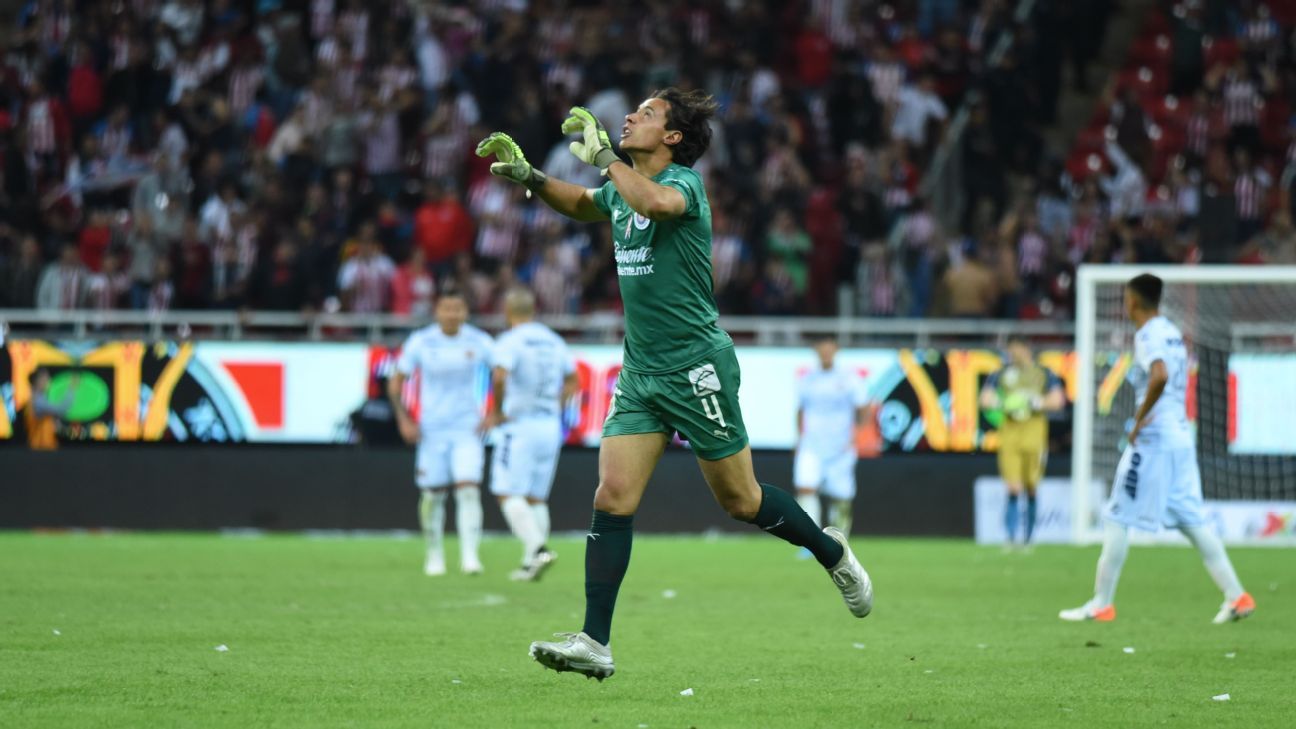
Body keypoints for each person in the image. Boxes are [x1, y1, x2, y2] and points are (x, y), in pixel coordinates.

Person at [476, 88, 872, 681]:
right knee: (612, 496)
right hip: (641, 373)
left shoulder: (683, 185)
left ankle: (830, 552)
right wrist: (531, 176)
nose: (629, 117)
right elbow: (584, 203)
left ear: (672, 137)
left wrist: (605, 157)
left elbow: (656, 204)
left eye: (647, 114)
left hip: (696, 367)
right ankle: (595, 641)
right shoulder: (621, 188)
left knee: (742, 502)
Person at [1060, 274, 1255, 624]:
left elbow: (1160, 375)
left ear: (1132, 301)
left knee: (1117, 516)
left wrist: (1138, 419)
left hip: (1154, 439)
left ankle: (1101, 603)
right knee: (1192, 521)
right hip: (1180, 435)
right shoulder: (1172, 332)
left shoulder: (1148, 335)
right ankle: (1237, 595)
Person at [387, 290, 494, 576]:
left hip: (467, 428)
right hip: (431, 430)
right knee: (433, 494)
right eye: (447, 308)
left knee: (468, 489)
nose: (452, 314)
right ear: (437, 311)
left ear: (465, 312)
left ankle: (470, 557)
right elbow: (396, 382)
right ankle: (434, 554)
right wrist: (404, 420)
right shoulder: (421, 341)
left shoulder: (479, 340)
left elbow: (502, 373)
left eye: (457, 308)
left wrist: (495, 412)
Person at [485, 288, 578, 582]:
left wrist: (497, 411)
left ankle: (538, 549)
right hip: (549, 426)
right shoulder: (553, 340)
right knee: (535, 498)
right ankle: (530, 564)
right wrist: (555, 405)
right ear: (533, 310)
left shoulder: (510, 341)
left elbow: (500, 376)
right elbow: (573, 380)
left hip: (520, 425)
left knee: (506, 491)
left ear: (507, 311)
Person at [979, 335, 1066, 548]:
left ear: (1026, 349)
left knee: (1031, 485)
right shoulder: (1001, 373)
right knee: (1013, 486)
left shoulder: (1043, 373)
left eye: (1016, 348)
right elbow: (985, 399)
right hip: (1010, 433)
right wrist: (1002, 402)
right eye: (1010, 349)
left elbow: (1058, 400)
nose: (1012, 353)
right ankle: (1010, 538)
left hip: (1034, 433)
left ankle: (1028, 538)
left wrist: (1037, 402)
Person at [794, 336, 868, 541]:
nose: (825, 351)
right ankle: (810, 540)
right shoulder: (807, 379)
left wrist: (857, 436)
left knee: (841, 495)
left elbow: (863, 408)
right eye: (821, 347)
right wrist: (799, 438)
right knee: (805, 487)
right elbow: (800, 410)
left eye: (829, 347)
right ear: (816, 350)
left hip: (841, 445)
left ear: (836, 349)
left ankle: (839, 541)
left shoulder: (849, 378)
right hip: (812, 444)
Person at [24, 369, 78, 451]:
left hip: (46, 447)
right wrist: (72, 388)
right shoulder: (37, 401)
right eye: (46, 379)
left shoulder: (39, 399)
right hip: (40, 449)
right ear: (38, 381)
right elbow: (62, 408)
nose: (49, 382)